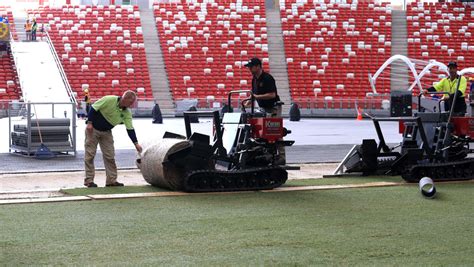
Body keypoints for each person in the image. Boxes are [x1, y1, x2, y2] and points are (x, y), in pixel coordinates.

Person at [84, 90, 143, 188]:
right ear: (125, 99)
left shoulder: (127, 113)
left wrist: (136, 143)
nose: (132, 105)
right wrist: (89, 123)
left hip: (107, 132)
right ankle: (89, 180)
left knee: (110, 156)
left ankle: (111, 180)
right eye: (131, 102)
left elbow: (130, 129)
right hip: (93, 129)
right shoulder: (109, 99)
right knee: (90, 155)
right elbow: (93, 109)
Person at [243, 57, 286, 165]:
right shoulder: (254, 79)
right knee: (260, 131)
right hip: (263, 108)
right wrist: (249, 101)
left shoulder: (267, 78)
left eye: (251, 67)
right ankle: (264, 154)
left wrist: (256, 97)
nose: (249, 69)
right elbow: (253, 95)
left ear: (258, 66)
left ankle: (281, 156)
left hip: (273, 107)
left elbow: (272, 95)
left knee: (275, 130)